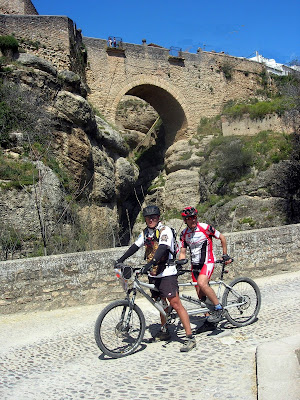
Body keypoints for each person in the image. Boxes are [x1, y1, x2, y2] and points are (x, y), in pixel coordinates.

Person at [115, 205, 196, 352]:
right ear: (145, 220)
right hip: (153, 274)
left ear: (158, 218)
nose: (151, 219)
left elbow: (163, 248)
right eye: (148, 218)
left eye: (153, 217)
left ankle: (190, 337)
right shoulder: (146, 233)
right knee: (160, 303)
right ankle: (164, 331)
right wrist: (121, 259)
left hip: (166, 273)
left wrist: (151, 263)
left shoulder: (165, 231)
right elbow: (135, 246)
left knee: (175, 303)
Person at [179, 206, 232, 332]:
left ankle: (219, 309)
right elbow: (183, 252)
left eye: (194, 217)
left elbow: (222, 237)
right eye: (190, 218)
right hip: (194, 266)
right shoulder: (184, 234)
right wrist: (179, 263)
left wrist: (225, 254)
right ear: (185, 220)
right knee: (201, 297)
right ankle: (208, 321)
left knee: (202, 283)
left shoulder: (205, 228)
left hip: (207, 262)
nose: (193, 220)